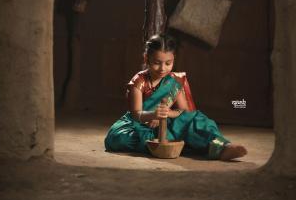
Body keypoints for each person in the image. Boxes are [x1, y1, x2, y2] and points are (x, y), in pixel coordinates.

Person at [104, 33, 247, 160]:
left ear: (174, 59)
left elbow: (184, 112)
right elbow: (136, 114)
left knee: (195, 120)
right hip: (139, 124)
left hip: (164, 121)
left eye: (168, 63)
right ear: (146, 58)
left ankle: (222, 148)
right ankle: (187, 143)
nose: (162, 68)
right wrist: (153, 115)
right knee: (117, 138)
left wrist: (166, 115)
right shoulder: (139, 81)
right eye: (156, 63)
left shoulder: (174, 82)